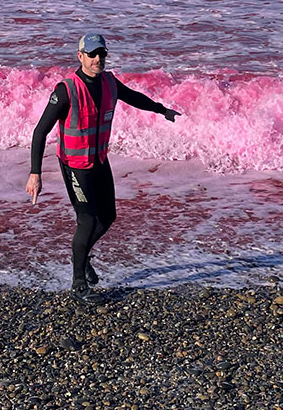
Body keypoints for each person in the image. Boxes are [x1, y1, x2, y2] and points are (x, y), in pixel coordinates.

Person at [25, 33, 180, 303]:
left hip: (98, 160)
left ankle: (81, 257)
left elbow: (133, 97)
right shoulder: (66, 89)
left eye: (102, 54)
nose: (98, 59)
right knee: (87, 220)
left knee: (107, 217)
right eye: (93, 54)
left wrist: (160, 109)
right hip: (75, 166)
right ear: (80, 56)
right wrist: (35, 173)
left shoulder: (109, 82)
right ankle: (78, 285)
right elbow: (40, 132)